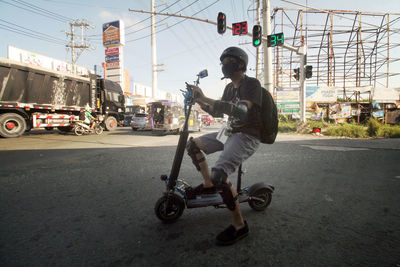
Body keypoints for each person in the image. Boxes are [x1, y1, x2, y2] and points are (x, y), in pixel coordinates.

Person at [186, 47, 263, 246]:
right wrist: (199, 102)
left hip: (247, 135)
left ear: (240, 64)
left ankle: (240, 226)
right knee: (193, 145)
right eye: (223, 61)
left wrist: (204, 97)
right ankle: (209, 185)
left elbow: (242, 111)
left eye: (228, 61)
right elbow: (217, 112)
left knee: (220, 174)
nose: (224, 65)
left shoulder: (252, 84)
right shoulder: (229, 88)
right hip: (230, 131)